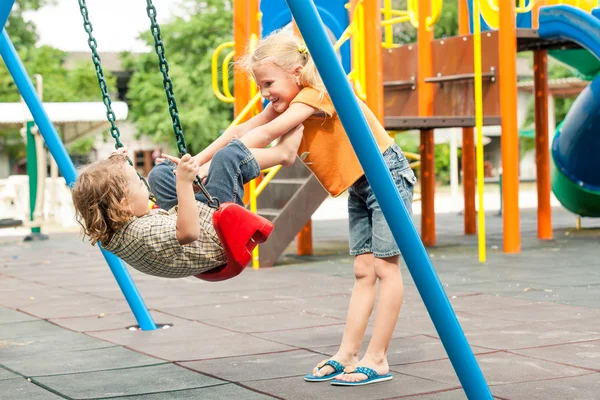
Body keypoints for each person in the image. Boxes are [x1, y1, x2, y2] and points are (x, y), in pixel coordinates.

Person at [192, 30, 417, 386]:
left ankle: (378, 357)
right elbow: (242, 129)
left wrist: (216, 165)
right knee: (363, 270)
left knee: (385, 268)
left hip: (386, 175)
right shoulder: (291, 100)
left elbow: (266, 135)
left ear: (296, 72)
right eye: (260, 87)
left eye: (268, 83)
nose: (265, 94)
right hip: (361, 184)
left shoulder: (317, 93)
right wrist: (196, 161)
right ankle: (347, 353)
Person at [71, 125, 303, 278]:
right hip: (216, 234)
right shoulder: (147, 232)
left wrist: (116, 161)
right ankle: (283, 153)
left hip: (186, 228)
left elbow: (106, 191)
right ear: (124, 205)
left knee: (159, 175)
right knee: (227, 156)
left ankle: (197, 175)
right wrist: (183, 183)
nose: (144, 185)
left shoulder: (112, 228)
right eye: (138, 184)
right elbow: (189, 233)